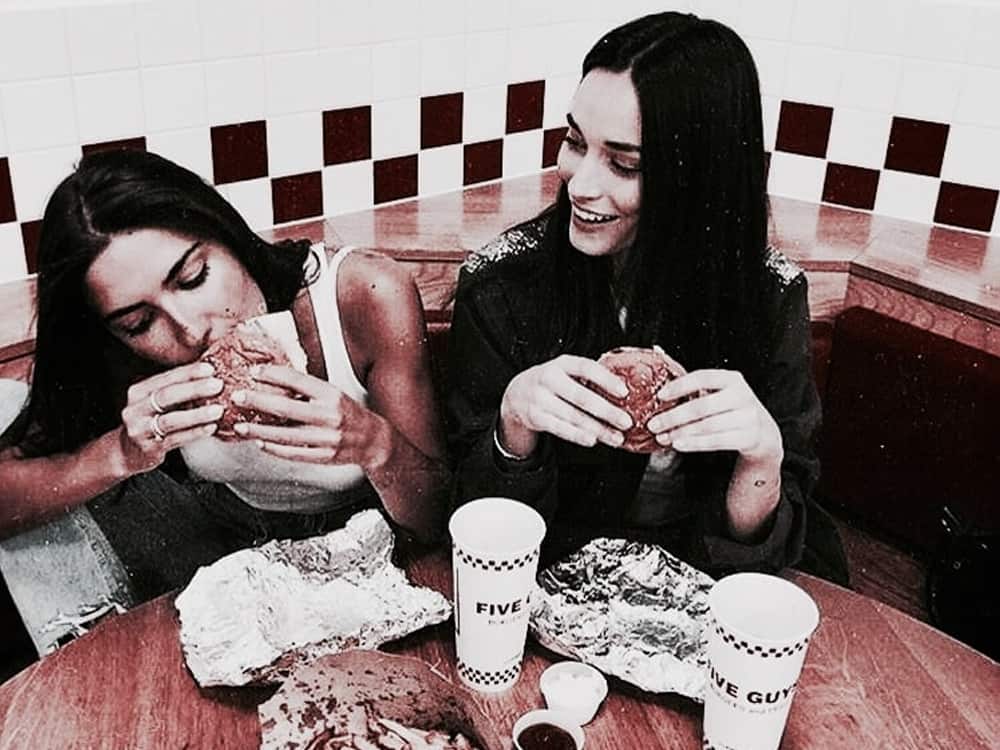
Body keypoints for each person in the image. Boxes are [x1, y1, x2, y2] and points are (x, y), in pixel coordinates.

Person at [446, 12, 847, 582]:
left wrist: (760, 456)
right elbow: (473, 528)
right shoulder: (501, 288)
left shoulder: (768, 297)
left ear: (700, 177)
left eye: (624, 164)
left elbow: (766, 557)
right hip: (555, 583)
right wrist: (513, 426)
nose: (581, 184)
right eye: (574, 142)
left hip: (710, 587)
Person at [0, 149, 449, 602]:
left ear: (225, 232)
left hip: (376, 545)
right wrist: (116, 454)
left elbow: (436, 517)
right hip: (227, 549)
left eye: (193, 278)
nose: (189, 330)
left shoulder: (362, 294)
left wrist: (373, 443)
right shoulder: (125, 357)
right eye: (139, 323)